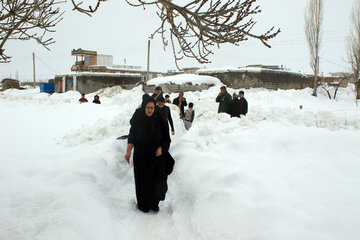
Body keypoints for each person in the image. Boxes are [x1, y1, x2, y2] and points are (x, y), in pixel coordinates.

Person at [125, 98, 173, 213]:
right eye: (148, 107)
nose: (150, 110)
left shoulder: (159, 119)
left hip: (156, 156)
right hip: (141, 155)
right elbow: (132, 135)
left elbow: (166, 138)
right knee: (141, 180)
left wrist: (161, 148)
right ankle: (142, 204)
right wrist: (128, 151)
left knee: (156, 181)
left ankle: (153, 203)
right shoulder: (139, 118)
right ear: (144, 107)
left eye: (152, 107)